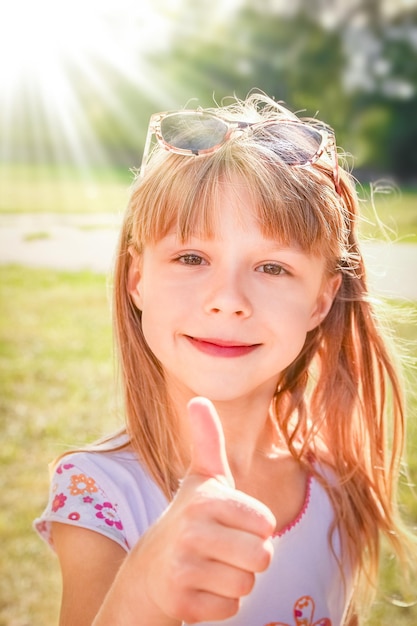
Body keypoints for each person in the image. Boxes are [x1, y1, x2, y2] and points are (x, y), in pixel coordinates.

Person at [34, 92, 415, 626]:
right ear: (137, 278)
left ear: (321, 301)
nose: (229, 299)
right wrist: (144, 590)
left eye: (273, 267)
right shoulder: (98, 492)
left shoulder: (334, 483)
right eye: (192, 257)